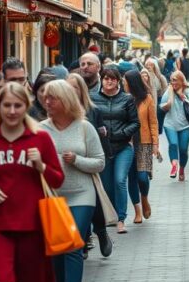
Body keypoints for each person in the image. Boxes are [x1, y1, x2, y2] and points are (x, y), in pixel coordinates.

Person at [0, 82, 64, 282]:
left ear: (27, 107)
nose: (12, 111)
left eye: (17, 105)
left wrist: (41, 165)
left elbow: (58, 179)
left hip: (32, 225)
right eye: (6, 105)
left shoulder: (40, 138)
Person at [39, 81, 105, 282]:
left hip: (81, 194)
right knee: (58, 249)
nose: (47, 102)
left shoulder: (85, 127)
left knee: (73, 243)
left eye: (53, 98)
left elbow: (100, 162)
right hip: (53, 196)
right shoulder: (40, 129)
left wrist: (76, 160)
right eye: (45, 98)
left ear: (66, 100)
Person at [66, 72, 113, 258]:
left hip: (90, 164)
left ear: (82, 90)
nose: (71, 91)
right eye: (67, 87)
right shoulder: (60, 110)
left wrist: (106, 157)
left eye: (75, 87)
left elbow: (102, 138)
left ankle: (101, 233)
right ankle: (83, 241)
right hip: (69, 166)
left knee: (95, 204)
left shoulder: (93, 111)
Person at [91, 66, 139, 233]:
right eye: (106, 78)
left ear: (118, 81)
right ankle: (108, 216)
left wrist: (120, 133)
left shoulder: (127, 99)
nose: (109, 81)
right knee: (106, 186)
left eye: (112, 79)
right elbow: (89, 121)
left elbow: (135, 123)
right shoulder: (93, 98)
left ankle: (120, 219)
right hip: (102, 148)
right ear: (101, 80)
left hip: (123, 147)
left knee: (120, 181)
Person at [125, 69, 160, 224]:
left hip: (144, 143)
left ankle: (144, 198)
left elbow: (153, 122)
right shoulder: (123, 99)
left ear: (132, 82)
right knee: (132, 178)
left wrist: (155, 144)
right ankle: (137, 211)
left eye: (125, 81)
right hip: (127, 144)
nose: (123, 84)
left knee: (142, 178)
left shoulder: (147, 99)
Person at [160, 71, 189, 181]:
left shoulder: (188, 91)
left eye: (175, 79)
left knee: (183, 150)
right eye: (171, 80)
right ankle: (174, 165)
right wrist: (167, 104)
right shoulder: (168, 91)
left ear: (181, 80)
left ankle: (182, 168)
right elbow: (161, 106)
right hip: (170, 124)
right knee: (173, 144)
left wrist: (181, 96)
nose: (172, 82)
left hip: (185, 125)